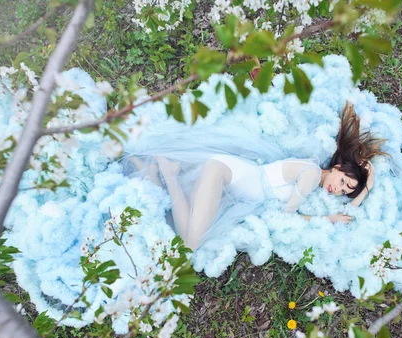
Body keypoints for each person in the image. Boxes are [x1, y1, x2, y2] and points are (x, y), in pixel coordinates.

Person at [130, 102, 386, 250]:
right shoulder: (309, 175)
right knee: (192, 244)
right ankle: (170, 174)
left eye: (344, 191)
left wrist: (365, 189)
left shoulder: (311, 169)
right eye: (342, 182)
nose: (338, 190)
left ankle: (160, 172)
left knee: (182, 235)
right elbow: (286, 217)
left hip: (228, 179)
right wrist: (328, 218)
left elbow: (348, 215)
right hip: (221, 173)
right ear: (338, 167)